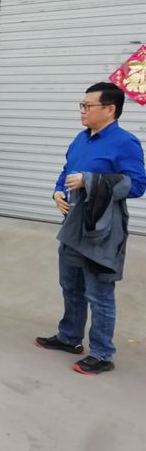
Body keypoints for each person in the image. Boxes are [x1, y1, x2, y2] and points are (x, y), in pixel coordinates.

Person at [36, 82, 146, 375]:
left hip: (102, 230)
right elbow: (66, 171)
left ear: (109, 109)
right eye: (82, 105)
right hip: (73, 225)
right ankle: (69, 337)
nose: (82, 111)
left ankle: (102, 353)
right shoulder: (81, 139)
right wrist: (57, 192)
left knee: (99, 293)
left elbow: (137, 185)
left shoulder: (125, 143)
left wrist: (90, 180)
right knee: (71, 285)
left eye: (88, 106)